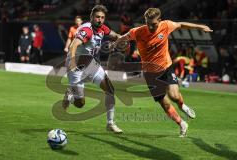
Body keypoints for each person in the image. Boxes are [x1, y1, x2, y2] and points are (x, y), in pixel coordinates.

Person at [115, 8, 213, 137]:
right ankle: (182, 123)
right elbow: (124, 37)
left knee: (174, 96)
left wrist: (200, 27)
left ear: (159, 21)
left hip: (166, 67)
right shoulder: (138, 32)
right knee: (165, 103)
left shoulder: (166, 25)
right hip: (150, 74)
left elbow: (182, 24)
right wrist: (115, 43)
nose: (150, 27)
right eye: (148, 23)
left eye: (154, 24)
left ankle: (182, 105)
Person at [62, 5, 123, 133]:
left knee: (110, 89)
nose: (100, 20)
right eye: (97, 17)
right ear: (91, 17)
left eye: (102, 17)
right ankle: (70, 96)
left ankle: (110, 123)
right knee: (80, 104)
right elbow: (73, 45)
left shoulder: (102, 28)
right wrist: (72, 63)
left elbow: (114, 34)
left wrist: (122, 38)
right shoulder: (87, 30)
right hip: (76, 66)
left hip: (91, 64)